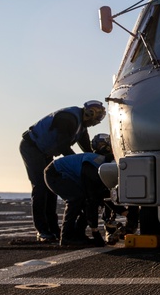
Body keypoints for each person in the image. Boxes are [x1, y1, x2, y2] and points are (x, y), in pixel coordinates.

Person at [20, 100, 106, 243]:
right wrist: (77, 165)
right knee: (41, 187)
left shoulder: (81, 127)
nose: (95, 123)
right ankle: (42, 231)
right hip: (32, 147)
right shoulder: (68, 119)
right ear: (90, 113)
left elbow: (88, 152)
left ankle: (54, 229)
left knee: (51, 191)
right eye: (96, 119)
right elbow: (63, 147)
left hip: (45, 152)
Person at [44, 133, 114, 246]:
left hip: (61, 174)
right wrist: (95, 231)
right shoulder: (94, 163)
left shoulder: (98, 161)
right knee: (76, 199)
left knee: (83, 200)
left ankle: (78, 234)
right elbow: (92, 197)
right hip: (55, 173)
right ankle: (66, 237)